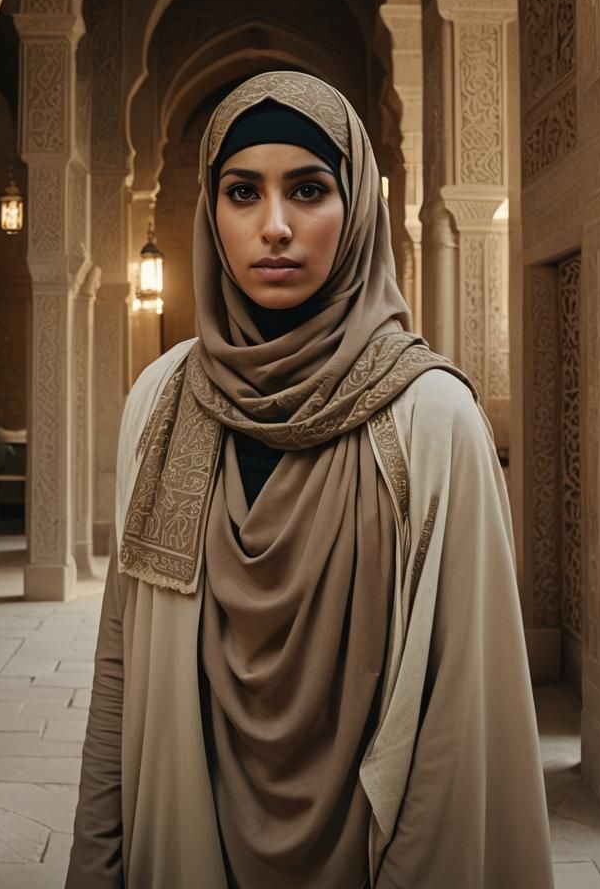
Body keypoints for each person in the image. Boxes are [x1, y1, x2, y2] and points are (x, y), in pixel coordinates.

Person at [66, 71, 555, 889]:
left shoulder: (434, 423)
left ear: (358, 206)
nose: (277, 227)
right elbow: (122, 661)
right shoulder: (162, 404)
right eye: (242, 192)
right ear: (209, 214)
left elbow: (457, 721)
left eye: (309, 189)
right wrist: (96, 863)